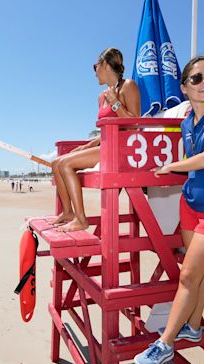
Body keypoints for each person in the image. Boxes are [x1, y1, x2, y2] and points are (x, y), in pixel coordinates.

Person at [133, 55, 204, 364]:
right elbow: (195, 160)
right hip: (192, 203)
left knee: (187, 276)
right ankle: (194, 327)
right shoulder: (186, 123)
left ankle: (165, 344)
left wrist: (170, 166)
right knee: (196, 271)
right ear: (184, 87)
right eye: (196, 78)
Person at [50, 47, 141, 232]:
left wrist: (115, 103)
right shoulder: (101, 97)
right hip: (107, 146)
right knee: (57, 163)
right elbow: (105, 131)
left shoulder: (128, 86)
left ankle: (81, 220)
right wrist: (86, 146)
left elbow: (134, 125)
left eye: (95, 67)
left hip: (123, 148)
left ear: (105, 65)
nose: (94, 73)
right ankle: (68, 212)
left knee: (66, 165)